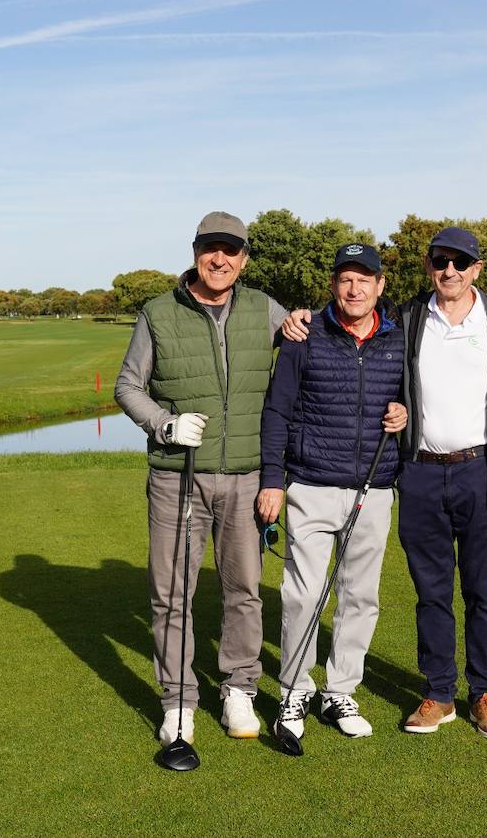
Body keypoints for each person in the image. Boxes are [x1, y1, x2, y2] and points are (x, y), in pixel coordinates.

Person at [283, 226, 487, 740]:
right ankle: (439, 693)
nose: (449, 271)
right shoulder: (407, 316)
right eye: (440, 261)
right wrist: (299, 317)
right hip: (420, 471)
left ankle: (484, 693)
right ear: (428, 267)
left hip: (481, 471)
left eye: (460, 263)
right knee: (431, 592)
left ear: (476, 270)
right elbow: (353, 308)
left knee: (482, 590)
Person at [115, 211, 287, 746]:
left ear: (244, 258)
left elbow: (320, 342)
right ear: (195, 252)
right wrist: (164, 424)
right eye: (211, 249)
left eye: (231, 250)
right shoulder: (159, 312)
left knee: (244, 591)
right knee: (172, 594)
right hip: (177, 478)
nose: (221, 259)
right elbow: (127, 386)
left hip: (246, 476)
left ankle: (239, 688)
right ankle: (179, 702)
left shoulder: (263, 308)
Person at [257, 243, 407, 742]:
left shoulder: (397, 340)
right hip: (312, 484)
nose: (355, 288)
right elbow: (277, 411)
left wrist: (404, 416)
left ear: (381, 285)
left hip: (375, 487)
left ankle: (340, 690)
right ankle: (294, 690)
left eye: (365, 279)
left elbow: (413, 402)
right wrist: (272, 481)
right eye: (345, 279)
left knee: (360, 596)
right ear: (333, 285)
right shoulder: (304, 334)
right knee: (304, 594)